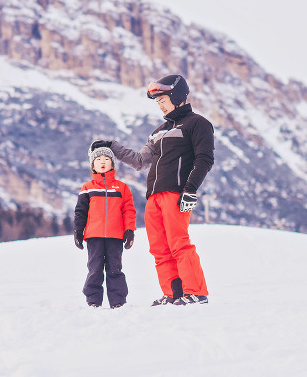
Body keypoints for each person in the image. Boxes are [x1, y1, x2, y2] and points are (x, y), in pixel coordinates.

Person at [91, 74, 214, 306]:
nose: (160, 105)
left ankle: (196, 292)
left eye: (163, 99)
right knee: (159, 247)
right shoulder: (158, 132)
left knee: (179, 242)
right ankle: (173, 293)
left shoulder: (197, 124)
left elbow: (204, 159)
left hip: (176, 193)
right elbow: (139, 160)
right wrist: (112, 146)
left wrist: (191, 189)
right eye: (157, 102)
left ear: (177, 96)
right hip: (154, 197)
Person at [73, 145, 137, 309]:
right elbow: (81, 212)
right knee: (94, 269)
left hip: (115, 236)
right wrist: (78, 232)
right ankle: (93, 301)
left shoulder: (122, 187)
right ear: (93, 165)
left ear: (112, 164)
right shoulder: (88, 188)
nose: (102, 162)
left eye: (106, 159)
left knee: (115, 269)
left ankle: (118, 302)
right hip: (94, 236)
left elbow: (128, 210)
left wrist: (129, 231)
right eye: (98, 159)